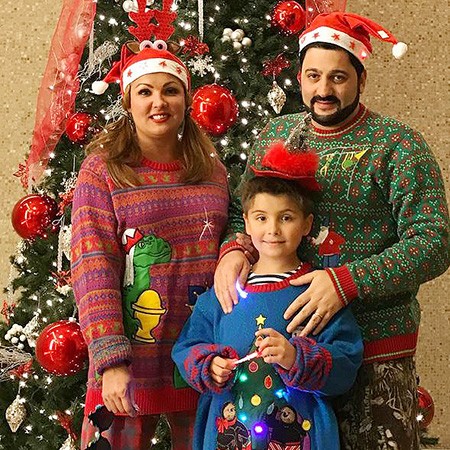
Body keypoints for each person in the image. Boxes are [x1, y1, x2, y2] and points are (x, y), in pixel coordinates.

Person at [213, 11, 450, 450]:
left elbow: (434, 242)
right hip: (283, 352)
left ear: (361, 79)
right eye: (313, 76)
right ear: (300, 78)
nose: (323, 90)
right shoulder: (276, 134)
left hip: (375, 352)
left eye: (338, 77)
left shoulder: (398, 146)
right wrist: (233, 250)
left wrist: (346, 282)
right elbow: (238, 210)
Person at [71, 39, 229, 449]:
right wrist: (111, 360)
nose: (159, 102)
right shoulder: (103, 171)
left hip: (202, 359)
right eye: (145, 91)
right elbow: (92, 266)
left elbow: (236, 231)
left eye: (170, 90)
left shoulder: (212, 170)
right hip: (127, 366)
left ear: (186, 100)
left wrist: (237, 250)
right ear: (128, 101)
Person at [172, 142, 363, 450]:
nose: (273, 229)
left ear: (306, 224)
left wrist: (295, 358)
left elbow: (346, 363)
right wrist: (209, 366)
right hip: (228, 436)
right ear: (246, 222)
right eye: (261, 218)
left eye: (286, 218)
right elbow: (186, 348)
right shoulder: (223, 292)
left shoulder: (318, 293)